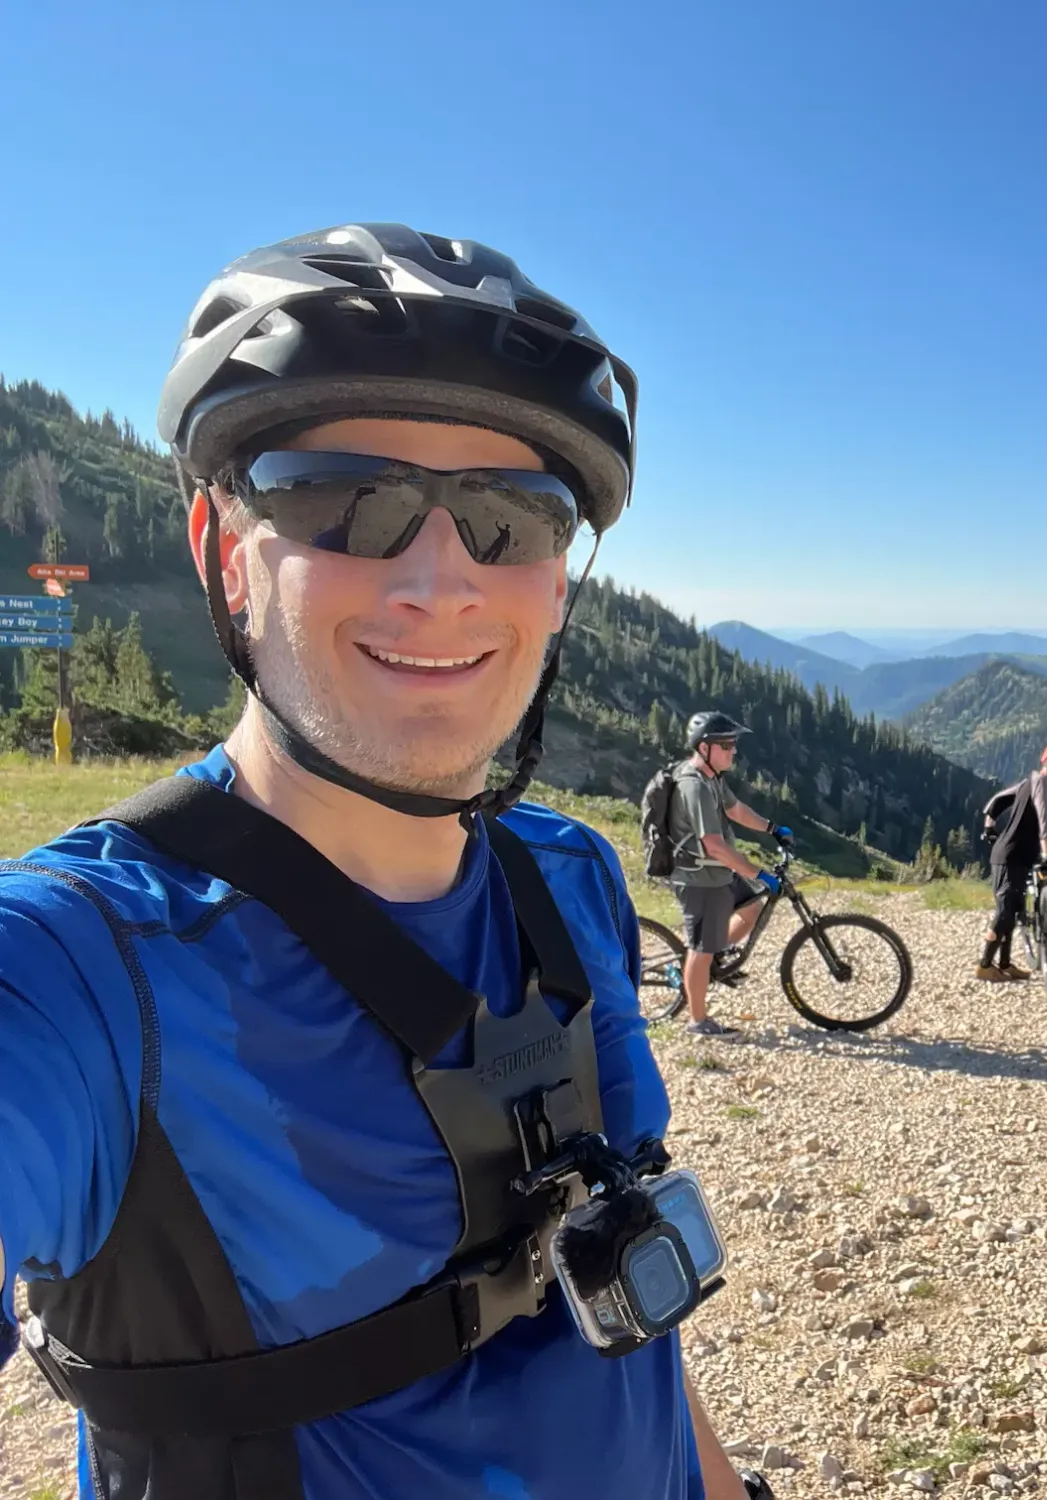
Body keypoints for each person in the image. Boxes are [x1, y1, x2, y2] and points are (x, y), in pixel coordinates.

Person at [0, 226, 756, 1500]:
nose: (438, 580)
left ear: (561, 582)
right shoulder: (77, 970)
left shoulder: (566, 878)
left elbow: (609, 1277)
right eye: (346, 499)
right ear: (223, 550)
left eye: (514, 517)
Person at [665, 709, 790, 1036]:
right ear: (705, 748)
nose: (733, 751)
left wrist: (771, 828)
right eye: (726, 745)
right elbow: (715, 846)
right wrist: (759, 872)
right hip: (697, 876)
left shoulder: (712, 778)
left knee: (751, 907)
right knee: (702, 948)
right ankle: (697, 1021)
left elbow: (735, 810)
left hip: (717, 871)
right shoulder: (695, 787)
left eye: (733, 744)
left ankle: (712, 959)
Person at [978, 741, 1047, 980]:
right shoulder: (1041, 782)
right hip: (1009, 856)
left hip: (1019, 857)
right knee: (1004, 912)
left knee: (1013, 912)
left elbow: (999, 800)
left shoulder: (1028, 782)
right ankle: (984, 965)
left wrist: (989, 826)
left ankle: (1004, 964)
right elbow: (1044, 823)